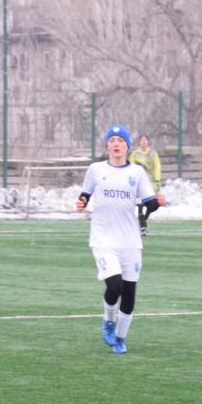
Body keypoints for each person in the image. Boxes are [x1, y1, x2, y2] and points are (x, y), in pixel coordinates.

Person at [77, 124, 164, 354]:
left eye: (120, 140)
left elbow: (148, 203)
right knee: (113, 285)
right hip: (103, 238)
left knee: (129, 293)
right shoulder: (95, 169)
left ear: (127, 146)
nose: (116, 144)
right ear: (107, 145)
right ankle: (108, 320)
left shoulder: (136, 173)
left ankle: (121, 338)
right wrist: (81, 203)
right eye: (112, 140)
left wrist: (157, 203)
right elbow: (85, 194)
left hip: (130, 241)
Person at [129, 133, 163, 234]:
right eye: (142, 140)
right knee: (140, 204)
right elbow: (131, 168)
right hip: (139, 183)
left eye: (145, 139)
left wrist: (157, 180)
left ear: (148, 142)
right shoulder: (135, 154)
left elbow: (157, 166)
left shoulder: (153, 153)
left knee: (153, 205)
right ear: (139, 142)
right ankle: (142, 226)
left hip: (151, 183)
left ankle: (144, 219)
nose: (143, 141)